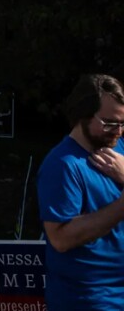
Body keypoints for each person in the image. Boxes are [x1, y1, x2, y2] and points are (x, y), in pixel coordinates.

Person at [38, 74, 124, 310]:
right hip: (89, 299)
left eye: (122, 123)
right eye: (109, 122)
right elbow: (61, 239)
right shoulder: (63, 165)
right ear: (82, 115)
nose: (117, 131)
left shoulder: (116, 146)